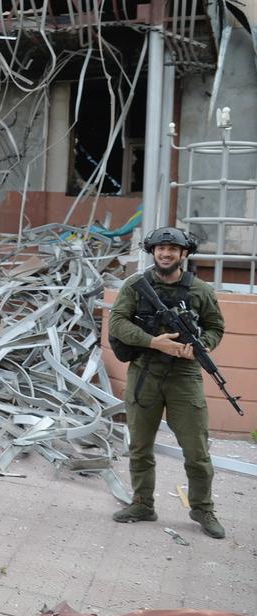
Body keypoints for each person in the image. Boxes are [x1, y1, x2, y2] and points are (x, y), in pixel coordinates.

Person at [107, 227, 226, 539]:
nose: (166, 254)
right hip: (145, 371)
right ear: (152, 252)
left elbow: (215, 326)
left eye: (173, 249)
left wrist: (203, 346)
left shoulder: (200, 290)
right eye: (161, 248)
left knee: (197, 449)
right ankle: (142, 503)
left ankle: (202, 508)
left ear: (183, 254)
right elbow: (116, 323)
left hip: (184, 375)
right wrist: (153, 342)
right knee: (140, 445)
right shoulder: (136, 285)